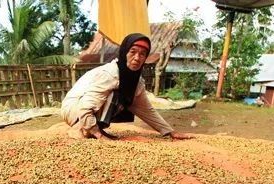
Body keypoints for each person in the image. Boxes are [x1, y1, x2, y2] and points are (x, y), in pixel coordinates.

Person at [61, 33, 193, 140]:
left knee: (127, 97)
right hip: (74, 109)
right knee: (115, 95)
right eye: (133, 52)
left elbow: (147, 110)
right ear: (124, 52)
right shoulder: (110, 74)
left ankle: (90, 128)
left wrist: (170, 131)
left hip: (85, 108)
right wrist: (99, 135)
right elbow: (85, 107)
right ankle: (81, 128)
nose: (137, 58)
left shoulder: (136, 82)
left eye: (142, 54)